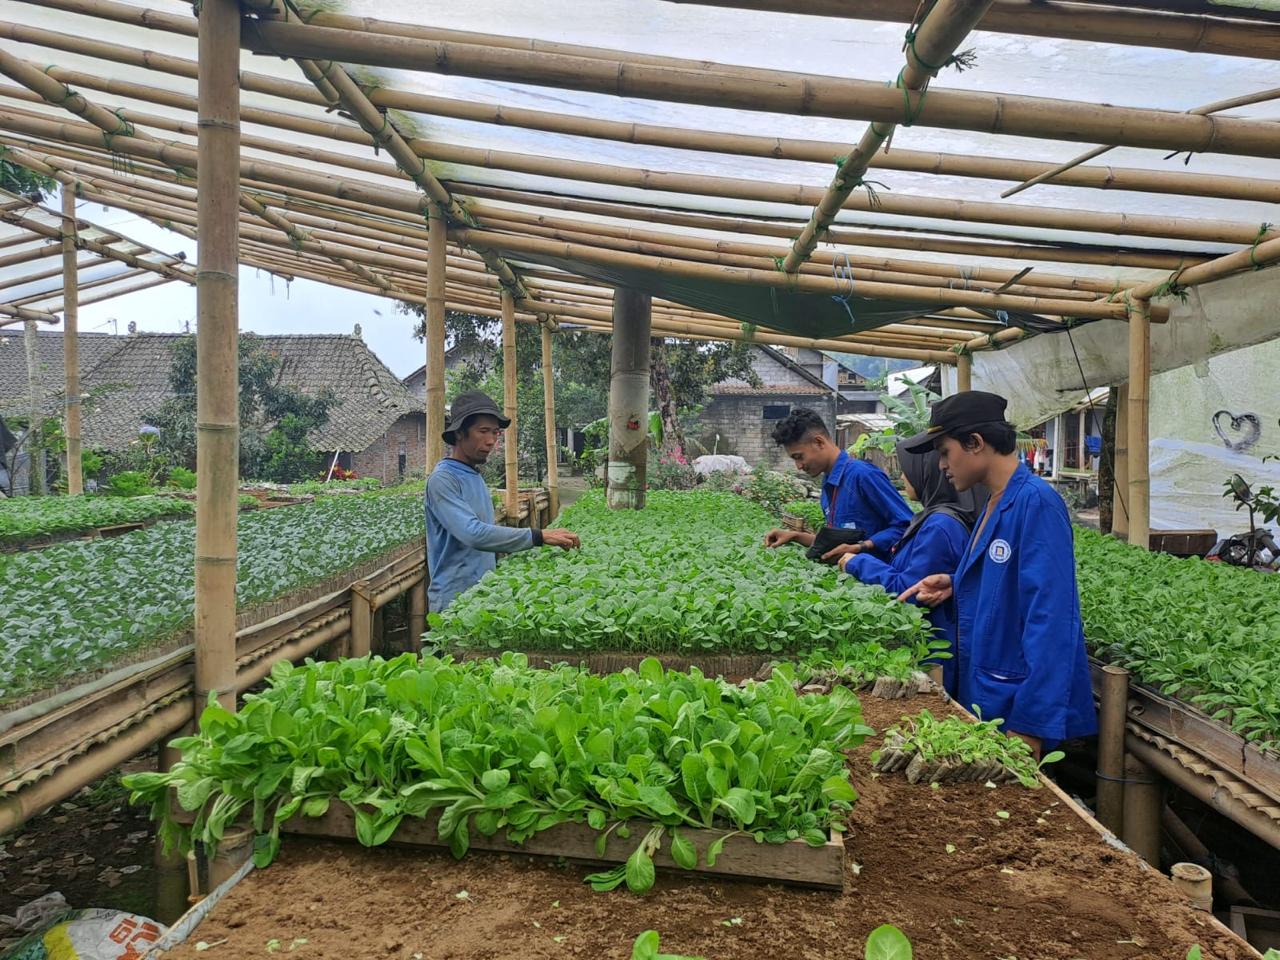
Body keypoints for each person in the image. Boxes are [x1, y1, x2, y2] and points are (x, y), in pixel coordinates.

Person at [898, 391, 1098, 758]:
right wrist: (956, 584)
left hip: (1014, 707)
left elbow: (1051, 618)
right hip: (987, 693)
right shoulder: (993, 500)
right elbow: (1006, 581)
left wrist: (1031, 725)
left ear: (975, 443)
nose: (942, 465)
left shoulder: (1035, 502)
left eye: (945, 452)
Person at [839, 440, 978, 694]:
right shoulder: (934, 517)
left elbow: (911, 591)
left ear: (925, 474)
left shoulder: (939, 526)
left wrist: (858, 563)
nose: (902, 476)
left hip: (939, 649)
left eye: (906, 470)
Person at [425, 390, 580, 613]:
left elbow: (487, 530)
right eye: (483, 431)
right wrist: (539, 536)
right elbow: (472, 533)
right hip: (452, 601)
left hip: (481, 592)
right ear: (459, 433)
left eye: (496, 433)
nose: (491, 441)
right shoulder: (443, 479)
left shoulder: (473, 475)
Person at [763, 408, 912, 562]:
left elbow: (908, 526)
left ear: (819, 442)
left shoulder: (863, 475)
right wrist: (795, 536)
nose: (798, 466)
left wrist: (862, 547)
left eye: (799, 457)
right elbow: (840, 545)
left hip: (879, 580)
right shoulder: (828, 484)